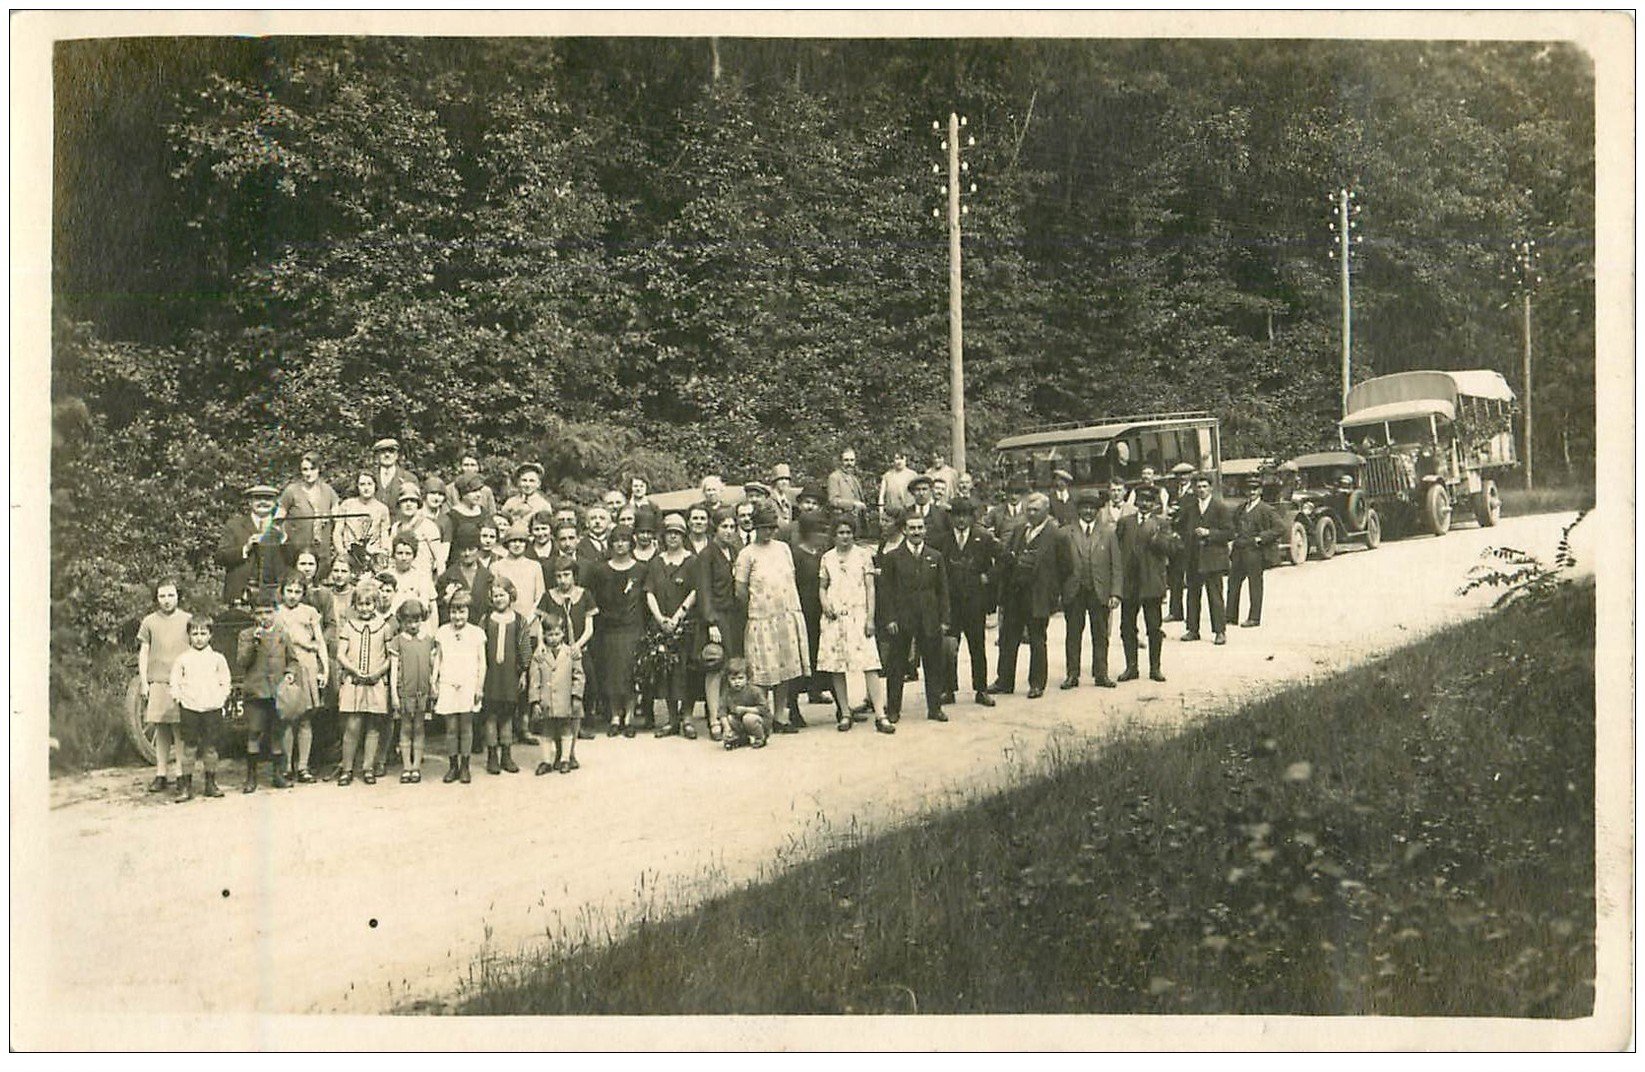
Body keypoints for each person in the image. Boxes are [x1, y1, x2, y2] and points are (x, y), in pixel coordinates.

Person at [734, 501, 810, 732]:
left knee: (784, 670)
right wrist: (756, 610)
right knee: (762, 672)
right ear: (755, 527)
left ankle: (780, 717)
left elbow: (790, 579)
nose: (769, 532)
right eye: (764, 527)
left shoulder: (783, 549)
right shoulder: (747, 554)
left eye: (772, 527)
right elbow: (740, 590)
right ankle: (762, 718)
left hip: (785, 616)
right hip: (761, 619)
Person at [817, 514, 893, 733]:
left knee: (869, 664)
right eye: (841, 533)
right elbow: (823, 586)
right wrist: (825, 604)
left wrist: (870, 618)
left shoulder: (863, 556)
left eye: (848, 532)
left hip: (859, 616)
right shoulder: (827, 558)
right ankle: (845, 712)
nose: (845, 537)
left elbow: (870, 587)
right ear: (834, 535)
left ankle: (880, 714)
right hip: (834, 618)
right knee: (837, 666)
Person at [991, 493, 1069, 699]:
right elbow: (1007, 557)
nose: (1031, 514)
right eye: (1028, 510)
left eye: (1036, 510)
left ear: (1046, 511)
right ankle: (1004, 680)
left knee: (1037, 639)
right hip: (1015, 594)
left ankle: (1036, 683)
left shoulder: (1057, 534)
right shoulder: (1019, 530)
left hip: (1039, 595)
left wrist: (1054, 593)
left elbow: (1066, 567)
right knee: (1008, 638)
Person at [880, 511, 950, 723]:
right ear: (904, 530)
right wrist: (890, 619)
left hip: (929, 618)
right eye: (912, 528)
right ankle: (893, 709)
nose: (916, 532)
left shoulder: (935, 556)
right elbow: (886, 592)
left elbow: (943, 591)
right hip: (902, 619)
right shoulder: (892, 557)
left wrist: (944, 619)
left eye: (920, 528)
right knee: (896, 665)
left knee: (933, 664)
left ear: (925, 529)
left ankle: (935, 708)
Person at [937, 497, 999, 708]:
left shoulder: (983, 537)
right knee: (948, 648)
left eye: (965, 515)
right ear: (951, 518)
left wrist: (988, 576)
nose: (961, 520)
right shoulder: (942, 541)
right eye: (957, 515)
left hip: (975, 603)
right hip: (951, 604)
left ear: (972, 517)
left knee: (977, 647)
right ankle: (948, 689)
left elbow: (1006, 560)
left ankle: (980, 690)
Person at [1060, 490, 1124, 690]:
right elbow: (1059, 565)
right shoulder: (1066, 533)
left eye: (1092, 508)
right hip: (1074, 590)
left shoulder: (1108, 533)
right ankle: (1072, 674)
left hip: (1099, 590)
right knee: (1073, 634)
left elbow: (1116, 565)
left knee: (1100, 633)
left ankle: (1101, 674)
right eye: (1084, 508)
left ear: (1097, 511)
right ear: (1078, 510)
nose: (1088, 511)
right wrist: (1060, 591)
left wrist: (1115, 592)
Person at [644, 513, 699, 738]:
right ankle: (672, 718)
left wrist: (677, 617)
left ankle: (687, 718)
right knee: (665, 672)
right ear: (663, 536)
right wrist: (660, 619)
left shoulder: (692, 561)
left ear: (683, 536)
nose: (673, 537)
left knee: (686, 671)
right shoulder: (656, 562)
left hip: (685, 625)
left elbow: (695, 591)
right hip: (661, 626)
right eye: (669, 534)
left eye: (677, 533)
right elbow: (649, 592)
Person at [334, 579, 393, 786]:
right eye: (361, 604)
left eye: (369, 604)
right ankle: (347, 768)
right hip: (354, 682)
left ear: (376, 604)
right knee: (352, 726)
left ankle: (368, 767)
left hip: (376, 682)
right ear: (355, 605)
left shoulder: (384, 627)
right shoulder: (349, 626)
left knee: (374, 727)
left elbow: (390, 657)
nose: (365, 608)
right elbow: (340, 654)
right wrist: (353, 670)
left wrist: (378, 672)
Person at [167, 612, 231, 801]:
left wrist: (221, 698)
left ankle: (210, 783)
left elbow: (225, 681)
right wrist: (179, 697)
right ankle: (186, 786)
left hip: (212, 707)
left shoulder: (218, 658)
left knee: (210, 747)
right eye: (195, 634)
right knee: (190, 747)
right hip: (190, 708)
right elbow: (175, 681)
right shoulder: (183, 659)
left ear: (210, 635)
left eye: (203, 633)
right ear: (189, 636)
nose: (199, 638)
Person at [238, 588, 297, 791]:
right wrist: (253, 643)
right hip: (256, 692)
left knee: (277, 733)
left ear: (275, 612)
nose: (264, 617)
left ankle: (277, 774)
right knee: (254, 732)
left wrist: (290, 673)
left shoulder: (283, 635)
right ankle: (251, 777)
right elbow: (242, 661)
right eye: (259, 613)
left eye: (268, 612)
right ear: (254, 614)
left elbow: (293, 660)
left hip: (277, 692)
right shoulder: (246, 635)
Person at [1116, 488, 1177, 683]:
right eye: (1142, 500)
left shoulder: (1162, 523)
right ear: (1136, 502)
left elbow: (1171, 550)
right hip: (1130, 584)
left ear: (1155, 504)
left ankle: (1155, 668)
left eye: (1149, 501)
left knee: (1154, 627)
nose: (1145, 504)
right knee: (1127, 627)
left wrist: (1157, 538)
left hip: (1151, 583)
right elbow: (1117, 551)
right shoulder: (1125, 523)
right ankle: (1131, 668)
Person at [137, 579, 191, 792]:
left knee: (179, 730)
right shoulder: (149, 622)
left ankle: (180, 774)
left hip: (181, 683)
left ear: (178, 595)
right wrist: (144, 681)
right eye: (162, 596)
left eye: (171, 595)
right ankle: (161, 774)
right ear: (156, 598)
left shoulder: (188, 619)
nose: (166, 600)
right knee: (161, 729)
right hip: (158, 681)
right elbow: (144, 652)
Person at [275, 572, 329, 782]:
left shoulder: (310, 612)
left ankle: (303, 766)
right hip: (286, 666)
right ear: (282, 592)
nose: (293, 595)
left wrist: (325, 668)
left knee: (306, 718)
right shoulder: (276, 612)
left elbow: (320, 641)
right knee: (287, 719)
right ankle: (286, 766)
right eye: (289, 591)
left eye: (298, 592)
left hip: (307, 664)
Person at [593, 525, 646, 738]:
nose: (620, 544)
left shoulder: (640, 569)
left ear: (631, 542)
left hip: (633, 627)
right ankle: (615, 716)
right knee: (612, 672)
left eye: (625, 539)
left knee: (631, 672)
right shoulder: (602, 570)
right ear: (611, 543)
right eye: (616, 540)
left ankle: (629, 716)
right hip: (609, 628)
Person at [695, 508, 743, 742]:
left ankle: (729, 718)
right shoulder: (707, 555)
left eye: (732, 527)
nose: (729, 531)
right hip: (716, 617)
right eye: (724, 526)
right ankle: (714, 718)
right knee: (715, 666)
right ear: (715, 528)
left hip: (734, 617)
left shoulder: (735, 551)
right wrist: (710, 622)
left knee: (733, 667)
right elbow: (703, 591)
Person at [432, 590, 485, 784]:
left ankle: (465, 766)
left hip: (468, 683)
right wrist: (433, 679)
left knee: (466, 727)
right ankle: (452, 765)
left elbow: (482, 663)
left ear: (468, 612)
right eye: (454, 611)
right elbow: (438, 657)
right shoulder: (443, 632)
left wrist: (479, 687)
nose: (457, 616)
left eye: (462, 611)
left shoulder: (477, 633)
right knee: (451, 727)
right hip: (448, 682)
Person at [480, 577, 533, 774]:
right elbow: (479, 647)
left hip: (510, 674)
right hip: (490, 674)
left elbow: (525, 647)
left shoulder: (519, 621)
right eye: (495, 596)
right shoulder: (486, 620)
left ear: (511, 595)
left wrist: (524, 672)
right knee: (491, 716)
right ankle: (492, 756)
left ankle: (507, 755)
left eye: (502, 595)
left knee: (507, 716)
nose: (499, 599)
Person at [1178, 472, 1235, 645]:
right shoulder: (1190, 508)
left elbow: (1230, 532)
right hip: (1194, 558)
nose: (1201, 490)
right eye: (1198, 487)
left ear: (1211, 488)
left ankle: (1220, 631)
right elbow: (1181, 527)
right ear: (1194, 488)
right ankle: (1192, 630)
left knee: (1215, 596)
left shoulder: (1220, 507)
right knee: (1193, 595)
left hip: (1213, 559)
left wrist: (1209, 533)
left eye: (1204, 486)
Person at [217, 484, 295, 604]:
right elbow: (220, 557)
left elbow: (294, 560)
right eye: (258, 498)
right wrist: (245, 548)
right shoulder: (234, 525)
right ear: (250, 502)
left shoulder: (285, 526)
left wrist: (284, 540)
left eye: (268, 498)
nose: (263, 502)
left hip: (275, 594)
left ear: (275, 502)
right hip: (241, 594)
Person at [530, 613, 586, 775]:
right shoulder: (539, 655)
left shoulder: (571, 653)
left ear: (563, 633)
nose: (553, 638)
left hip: (565, 700)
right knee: (546, 730)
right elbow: (534, 679)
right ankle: (546, 761)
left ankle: (565, 759)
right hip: (546, 700)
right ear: (544, 635)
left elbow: (579, 676)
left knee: (566, 729)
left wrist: (576, 697)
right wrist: (534, 701)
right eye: (549, 635)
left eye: (557, 634)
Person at [787, 510, 829, 718]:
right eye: (817, 531)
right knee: (800, 661)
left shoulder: (823, 555)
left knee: (825, 660)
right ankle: (793, 708)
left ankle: (840, 706)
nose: (822, 535)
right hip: (802, 613)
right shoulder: (795, 556)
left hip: (822, 613)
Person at [1227, 476, 1283, 628]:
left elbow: (1279, 528)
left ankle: (1254, 618)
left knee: (1255, 585)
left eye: (1254, 489)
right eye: (1248, 489)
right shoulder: (1241, 508)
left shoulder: (1266, 509)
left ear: (1260, 491)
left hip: (1255, 552)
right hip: (1239, 551)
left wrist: (1261, 538)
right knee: (1233, 583)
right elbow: (1233, 526)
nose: (1251, 492)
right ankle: (1230, 616)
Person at [389, 599, 435, 783]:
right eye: (408, 621)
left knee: (419, 727)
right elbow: (393, 670)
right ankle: (406, 766)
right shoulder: (398, 641)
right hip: (405, 692)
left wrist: (433, 686)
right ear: (402, 622)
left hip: (422, 691)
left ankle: (416, 766)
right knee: (405, 727)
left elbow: (432, 666)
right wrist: (394, 693)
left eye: (416, 621)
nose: (413, 625)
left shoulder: (427, 641)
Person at [279, 452, 339, 576]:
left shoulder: (327, 490)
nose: (308, 473)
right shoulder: (292, 490)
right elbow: (278, 518)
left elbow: (338, 517)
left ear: (319, 469)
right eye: (305, 469)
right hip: (297, 552)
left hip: (321, 552)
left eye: (312, 469)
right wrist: (284, 537)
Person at [491, 524, 546, 641]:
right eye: (513, 541)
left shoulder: (535, 566)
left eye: (521, 541)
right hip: (505, 623)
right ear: (506, 543)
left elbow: (540, 596)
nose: (517, 544)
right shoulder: (496, 567)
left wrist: (528, 620)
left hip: (530, 625)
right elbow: (495, 596)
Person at [334, 472, 391, 576]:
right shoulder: (347, 505)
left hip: (372, 555)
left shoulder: (382, 508)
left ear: (375, 486)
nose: (366, 488)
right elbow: (337, 532)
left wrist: (384, 552)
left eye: (369, 484)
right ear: (357, 486)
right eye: (362, 484)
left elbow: (384, 534)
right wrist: (341, 552)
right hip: (349, 554)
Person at [1163, 462, 1198, 622]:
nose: (1182, 478)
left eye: (1185, 474)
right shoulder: (1172, 491)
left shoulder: (1195, 492)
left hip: (1189, 538)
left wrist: (1178, 513)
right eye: (1179, 475)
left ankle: (1192, 614)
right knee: (1175, 576)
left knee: (1191, 577)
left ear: (1191, 475)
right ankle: (1175, 611)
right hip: (1175, 538)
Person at [390, 487, 443, 588]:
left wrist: (437, 586)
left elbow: (440, 561)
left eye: (413, 501)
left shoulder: (428, 526)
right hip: (399, 583)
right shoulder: (395, 528)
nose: (408, 504)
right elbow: (391, 558)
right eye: (404, 501)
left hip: (422, 582)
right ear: (399, 504)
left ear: (418, 504)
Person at [435, 540, 493, 626]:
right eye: (463, 549)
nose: (467, 553)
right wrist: (446, 600)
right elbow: (438, 608)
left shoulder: (487, 576)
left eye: (471, 549)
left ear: (478, 549)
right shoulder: (447, 577)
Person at [719, 657, 770, 750]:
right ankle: (741, 738)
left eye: (740, 678)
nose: (737, 682)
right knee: (730, 718)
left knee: (749, 719)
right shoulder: (727, 693)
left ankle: (760, 737)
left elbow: (764, 709)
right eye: (733, 679)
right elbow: (722, 712)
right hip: (739, 720)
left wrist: (745, 710)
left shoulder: (754, 691)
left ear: (748, 677)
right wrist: (727, 728)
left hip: (758, 720)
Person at [369, 438, 419, 514]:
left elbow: (416, 507)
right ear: (377, 455)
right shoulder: (368, 477)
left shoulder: (409, 478)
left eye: (391, 451)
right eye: (383, 452)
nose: (387, 455)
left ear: (397, 455)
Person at [827, 449, 869, 532]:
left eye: (852, 460)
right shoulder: (834, 477)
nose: (849, 463)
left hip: (856, 521)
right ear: (841, 461)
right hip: (842, 521)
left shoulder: (854, 478)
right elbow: (833, 501)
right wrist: (853, 503)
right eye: (846, 460)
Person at [905, 474, 952, 549]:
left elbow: (949, 538)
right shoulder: (905, 513)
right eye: (917, 490)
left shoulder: (942, 513)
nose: (921, 493)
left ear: (931, 491)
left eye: (924, 489)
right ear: (912, 493)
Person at [501, 462, 553, 529]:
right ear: (518, 482)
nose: (527, 485)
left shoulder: (544, 505)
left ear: (538, 484)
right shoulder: (510, 503)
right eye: (524, 480)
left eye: (532, 481)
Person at [421, 476, 453, 575]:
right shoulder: (415, 515)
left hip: (435, 566)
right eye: (432, 493)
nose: (436, 497)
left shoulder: (445, 520)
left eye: (440, 494)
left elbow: (444, 550)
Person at [879, 448, 918, 528]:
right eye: (897, 459)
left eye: (902, 458)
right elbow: (881, 496)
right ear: (893, 460)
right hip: (892, 512)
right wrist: (881, 513)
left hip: (909, 511)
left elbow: (917, 494)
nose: (899, 461)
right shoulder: (887, 476)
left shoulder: (912, 475)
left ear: (906, 459)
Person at [983, 478, 1030, 543]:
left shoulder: (1029, 510)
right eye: (1011, 493)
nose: (1013, 497)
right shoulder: (997, 511)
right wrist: (991, 536)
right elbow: (980, 525)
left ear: (1022, 494)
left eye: (1017, 493)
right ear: (1006, 494)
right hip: (1002, 549)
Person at [458, 453, 499, 521]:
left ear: (478, 468)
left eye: (473, 465)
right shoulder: (450, 489)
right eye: (466, 465)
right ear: (460, 467)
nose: (469, 468)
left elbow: (492, 515)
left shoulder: (486, 491)